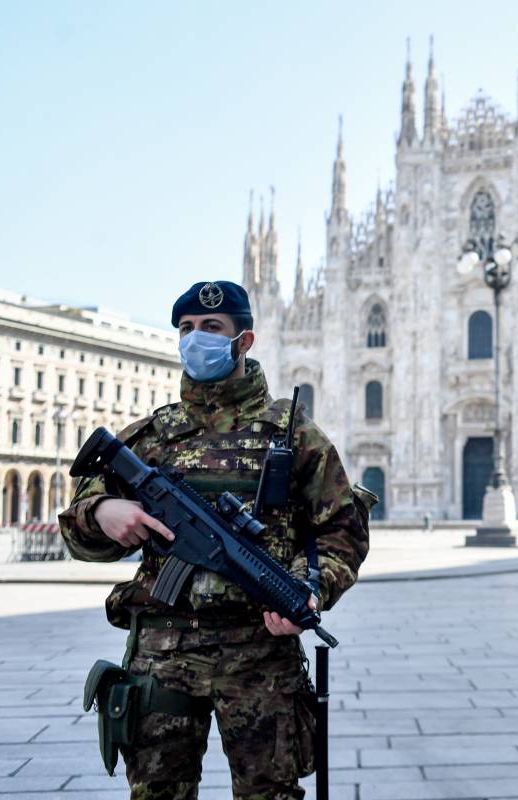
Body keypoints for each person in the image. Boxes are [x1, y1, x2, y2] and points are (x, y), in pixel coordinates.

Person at [59, 280, 371, 800]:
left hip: (260, 654)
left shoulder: (293, 435)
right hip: (162, 653)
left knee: (270, 794)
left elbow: (342, 529)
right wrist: (103, 511)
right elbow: (78, 532)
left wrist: (312, 588)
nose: (195, 339)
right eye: (185, 329)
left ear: (242, 341)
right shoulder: (152, 436)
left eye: (211, 328)